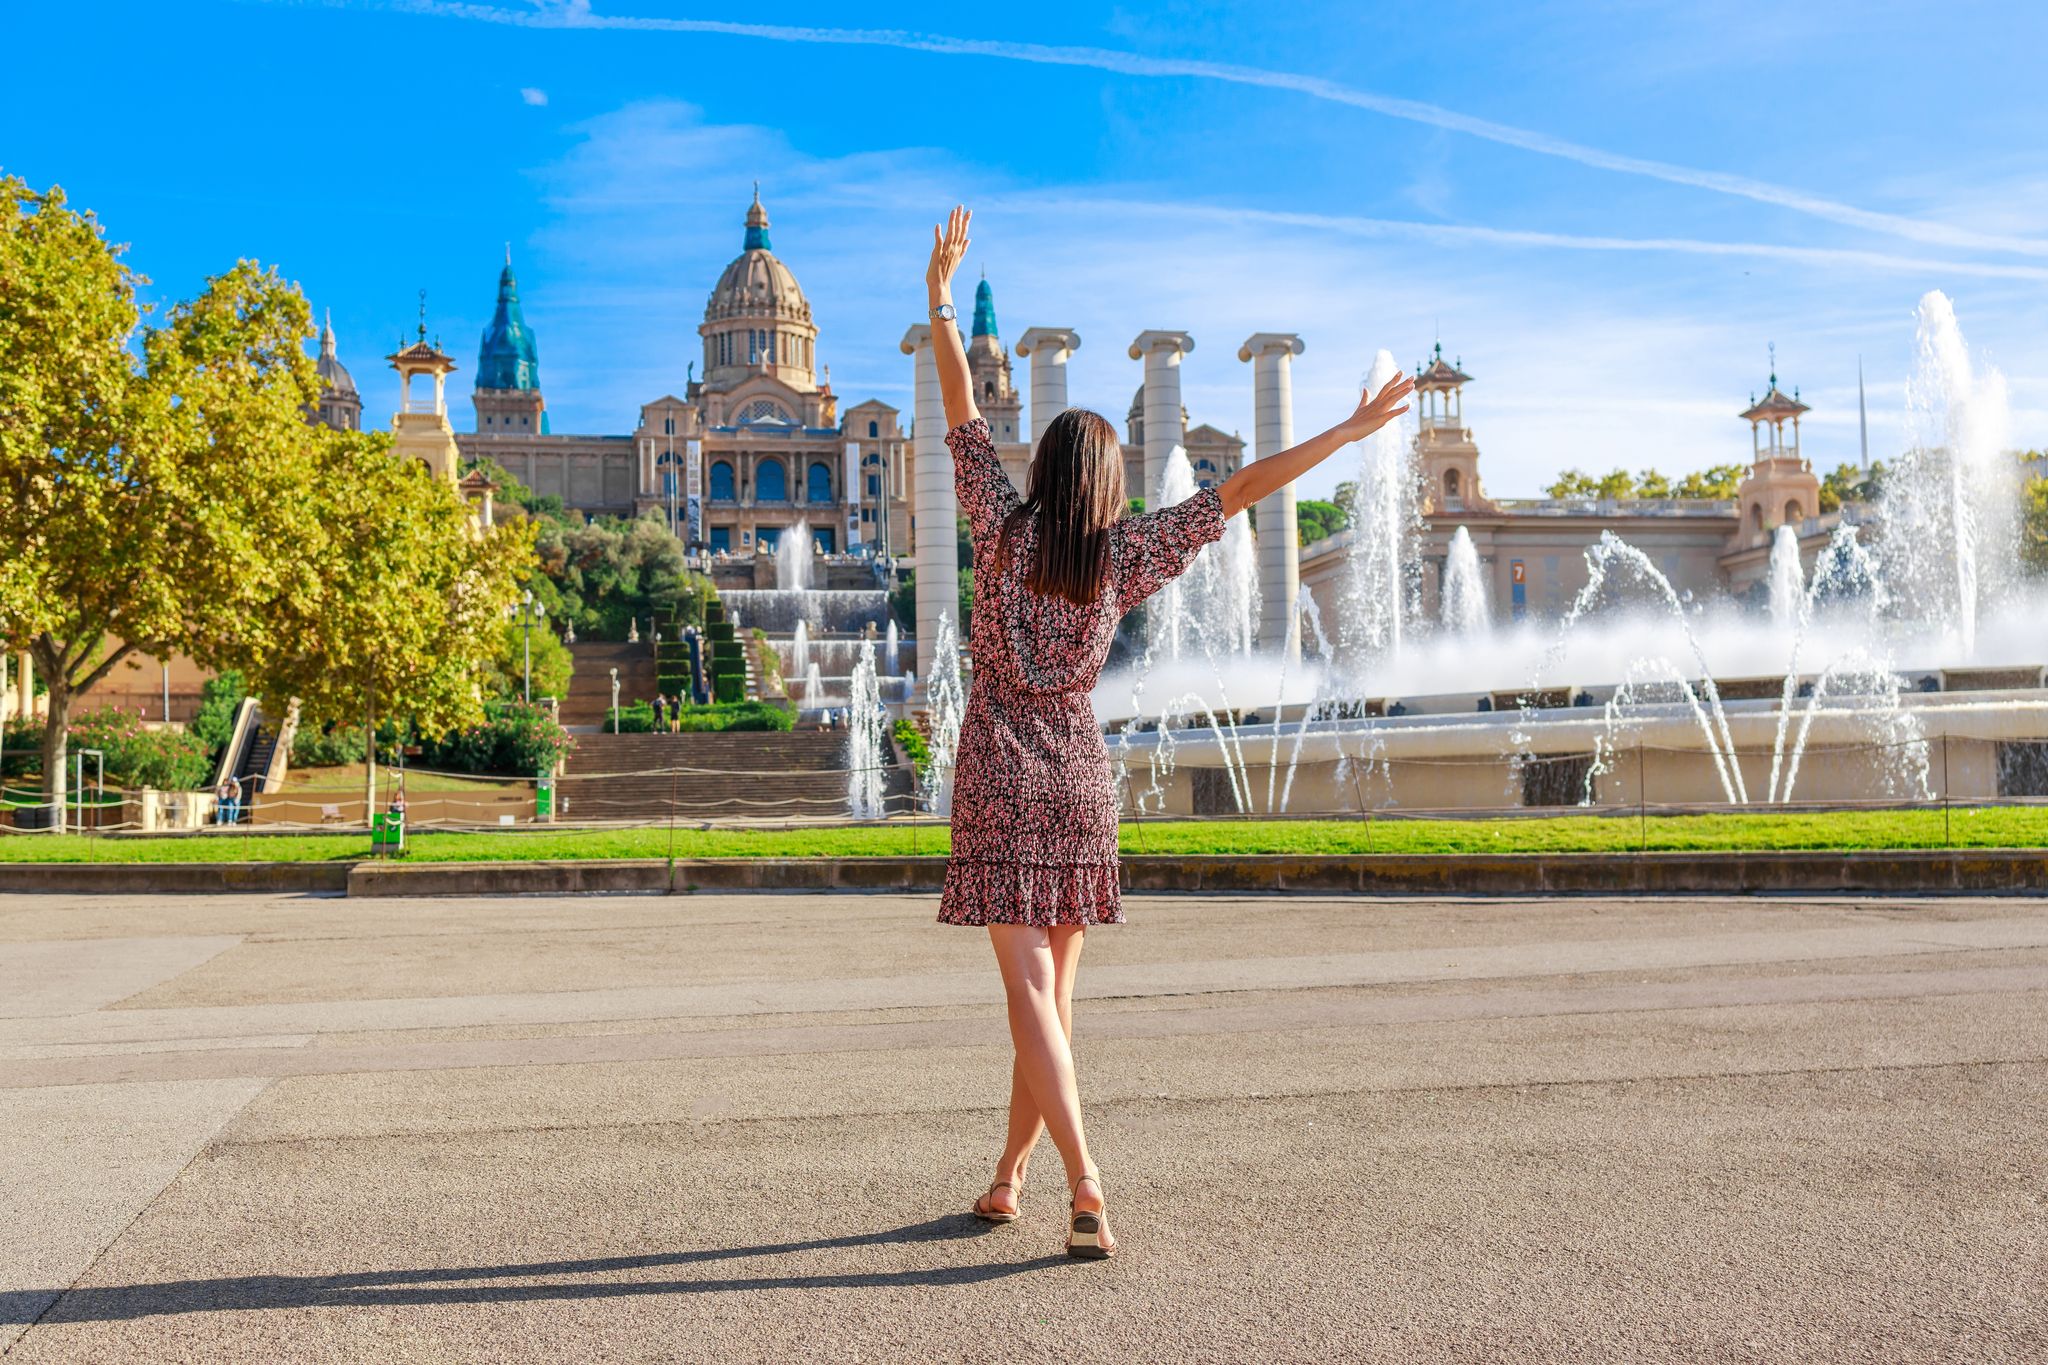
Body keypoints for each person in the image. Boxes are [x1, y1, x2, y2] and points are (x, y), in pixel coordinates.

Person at [924, 206, 1412, 1261]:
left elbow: (960, 408)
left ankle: (1084, 1180)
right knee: (1049, 998)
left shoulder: (998, 531)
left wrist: (936, 298)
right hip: (1079, 776)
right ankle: (1008, 1178)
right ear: (1105, 484)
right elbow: (1238, 490)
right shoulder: (1125, 556)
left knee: (1025, 995)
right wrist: (1349, 434)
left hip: (1001, 770)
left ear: (1044, 470)